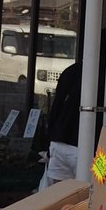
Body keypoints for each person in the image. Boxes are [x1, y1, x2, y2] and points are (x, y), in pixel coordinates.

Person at [39, 59, 82, 189]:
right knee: (92, 195)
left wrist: (49, 142)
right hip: (91, 151)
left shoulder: (71, 70)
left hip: (59, 145)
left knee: (59, 199)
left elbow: (56, 107)